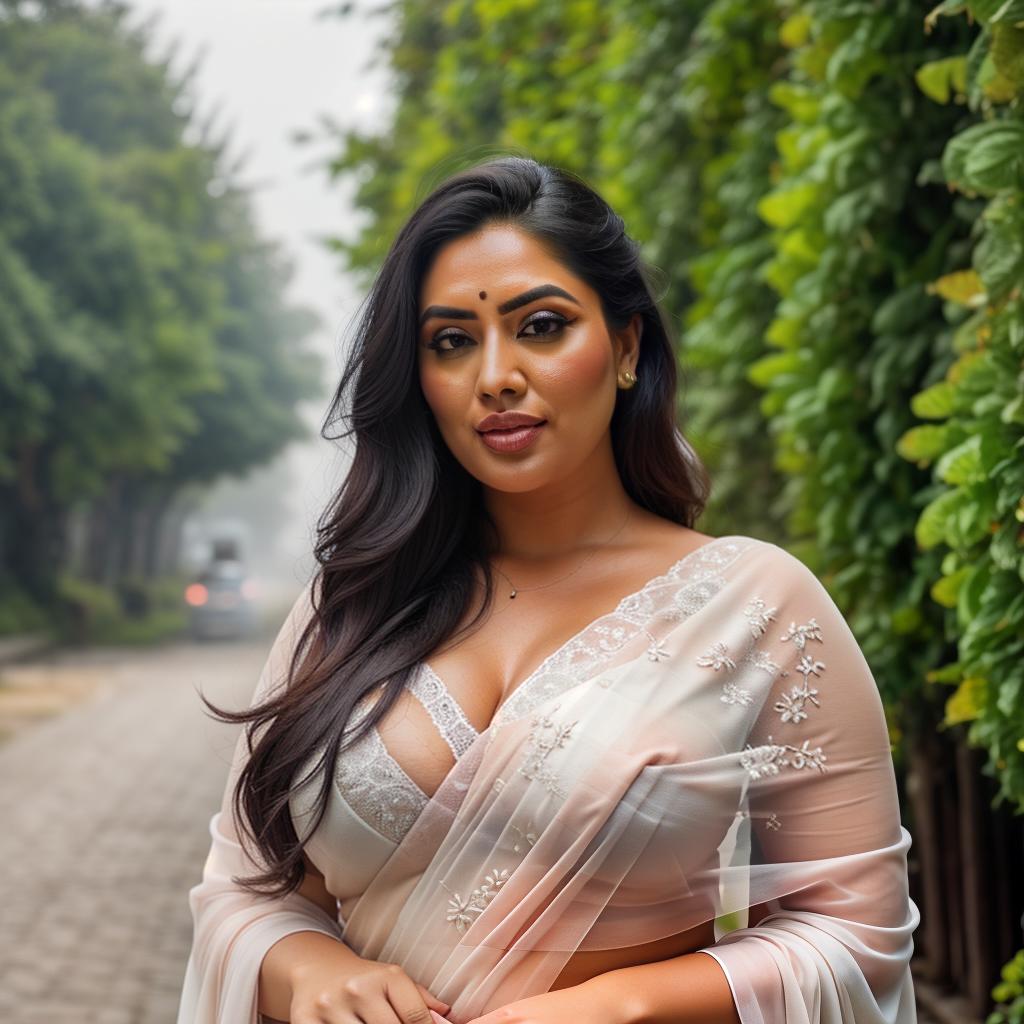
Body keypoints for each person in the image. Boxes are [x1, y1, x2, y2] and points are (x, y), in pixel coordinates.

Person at [175, 155, 919, 1024]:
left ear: (628, 345)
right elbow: (247, 889)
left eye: (541, 326)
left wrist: (618, 1008)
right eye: (452, 341)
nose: (495, 375)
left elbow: (852, 934)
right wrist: (306, 969)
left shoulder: (754, 605)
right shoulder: (355, 604)